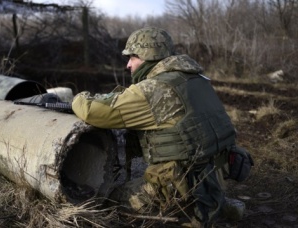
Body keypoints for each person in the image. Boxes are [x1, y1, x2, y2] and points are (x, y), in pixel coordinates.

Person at [71, 27, 240, 227]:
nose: (128, 64)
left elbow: (93, 111)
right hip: (218, 172)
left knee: (111, 200)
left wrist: (76, 98)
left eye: (132, 57)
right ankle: (215, 203)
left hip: (185, 184)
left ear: (146, 56)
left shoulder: (155, 89)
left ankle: (192, 211)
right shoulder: (196, 78)